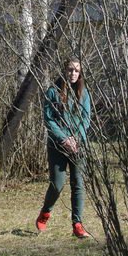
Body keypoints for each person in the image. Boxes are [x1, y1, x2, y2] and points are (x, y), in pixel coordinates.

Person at [35, 58, 92, 239]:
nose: (73, 74)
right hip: (57, 145)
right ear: (64, 70)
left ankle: (77, 224)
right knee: (57, 184)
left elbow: (86, 118)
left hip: (78, 146)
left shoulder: (84, 93)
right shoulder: (53, 92)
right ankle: (45, 212)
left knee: (78, 183)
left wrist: (76, 138)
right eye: (70, 70)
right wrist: (64, 138)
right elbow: (49, 119)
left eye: (76, 70)